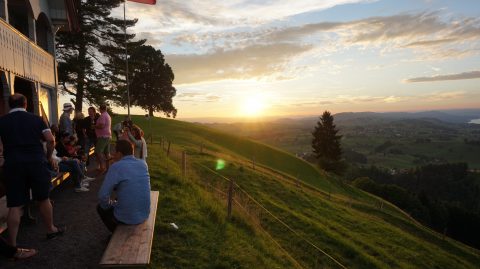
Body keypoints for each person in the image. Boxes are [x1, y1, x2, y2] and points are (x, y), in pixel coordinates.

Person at [0, 94, 65, 255]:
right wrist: (48, 157)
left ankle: (12, 245)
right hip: (36, 163)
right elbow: (50, 140)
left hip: (13, 164)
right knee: (43, 198)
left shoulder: (2, 121)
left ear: (9, 106)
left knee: (14, 205)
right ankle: (51, 229)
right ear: (26, 104)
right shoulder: (37, 119)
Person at [97, 140, 150, 232]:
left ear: (119, 154)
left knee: (100, 207)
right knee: (123, 194)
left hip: (127, 218)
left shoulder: (116, 167)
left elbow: (103, 196)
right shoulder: (143, 164)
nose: (113, 154)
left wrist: (110, 204)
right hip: (144, 213)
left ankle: (116, 232)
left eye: (114, 152)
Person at [95, 104, 111, 174]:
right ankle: (108, 168)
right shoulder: (107, 115)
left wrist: (94, 126)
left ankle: (102, 167)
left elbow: (101, 126)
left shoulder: (103, 115)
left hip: (102, 136)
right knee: (106, 152)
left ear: (100, 109)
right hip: (107, 135)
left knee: (98, 152)